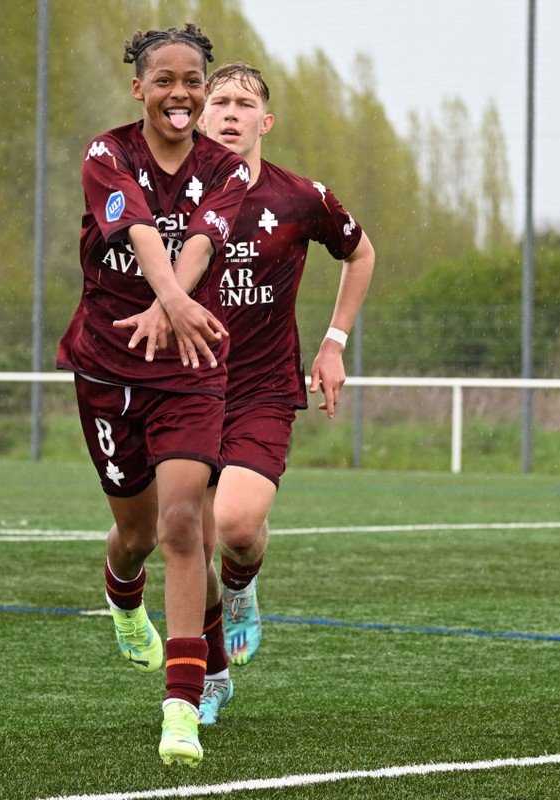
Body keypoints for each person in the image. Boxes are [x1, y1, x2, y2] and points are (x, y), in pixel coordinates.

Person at [54, 24, 249, 768]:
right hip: (108, 369)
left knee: (181, 525)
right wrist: (170, 299)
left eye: (193, 81)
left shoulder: (226, 169)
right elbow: (137, 229)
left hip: (191, 367)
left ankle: (182, 708)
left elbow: (200, 241)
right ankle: (121, 592)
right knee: (134, 536)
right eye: (164, 80)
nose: (180, 94)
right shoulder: (106, 154)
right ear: (139, 88)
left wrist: (175, 307)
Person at [192, 62, 375, 725]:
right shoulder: (173, 199)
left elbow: (360, 254)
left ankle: (243, 586)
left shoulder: (301, 197)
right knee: (188, 544)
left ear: (264, 122)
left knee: (237, 528)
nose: (230, 111)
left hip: (262, 391)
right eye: (219, 101)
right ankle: (210, 676)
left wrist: (334, 342)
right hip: (185, 390)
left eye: (244, 103)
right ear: (200, 117)